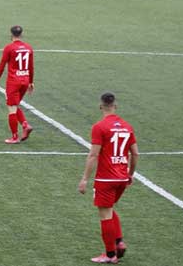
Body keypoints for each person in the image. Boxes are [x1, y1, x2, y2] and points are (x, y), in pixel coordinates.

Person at [78, 92, 138, 264]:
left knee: (105, 215)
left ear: (100, 106)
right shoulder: (127, 126)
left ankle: (110, 254)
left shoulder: (99, 127)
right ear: (115, 106)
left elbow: (93, 155)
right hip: (121, 178)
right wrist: (130, 174)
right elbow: (135, 153)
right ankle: (119, 242)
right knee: (109, 210)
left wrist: (84, 179)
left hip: (106, 179)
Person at [0, 25, 34, 144]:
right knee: (15, 105)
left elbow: (1, 66)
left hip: (13, 82)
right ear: (22, 34)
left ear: (11, 34)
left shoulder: (9, 48)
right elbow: (31, 67)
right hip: (25, 81)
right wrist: (31, 81)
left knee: (12, 109)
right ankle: (25, 125)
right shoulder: (28, 48)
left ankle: (14, 137)